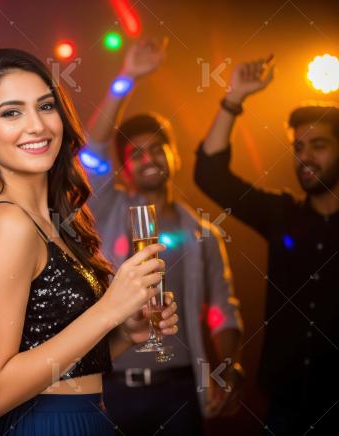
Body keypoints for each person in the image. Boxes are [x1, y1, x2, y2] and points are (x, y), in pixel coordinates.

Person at [0, 48, 179, 436]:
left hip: (84, 415)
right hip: (44, 424)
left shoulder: (52, 219)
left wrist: (125, 333)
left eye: (45, 106)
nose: (37, 125)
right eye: (11, 112)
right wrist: (109, 308)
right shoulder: (7, 222)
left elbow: (61, 357)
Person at [84, 39, 244, 434]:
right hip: (111, 391)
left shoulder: (203, 233)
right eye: (136, 153)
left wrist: (228, 367)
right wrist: (127, 77)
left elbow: (224, 309)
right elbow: (93, 148)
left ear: (174, 156)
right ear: (123, 168)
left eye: (157, 149)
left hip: (179, 393)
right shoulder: (108, 211)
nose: (148, 158)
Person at [196, 56, 339, 434]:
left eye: (319, 145)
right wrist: (234, 98)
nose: (305, 157)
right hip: (285, 407)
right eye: (299, 147)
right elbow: (209, 173)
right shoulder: (281, 214)